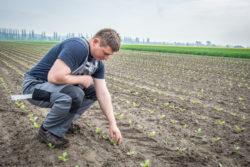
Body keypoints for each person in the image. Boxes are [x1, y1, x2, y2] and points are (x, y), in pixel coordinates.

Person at [22, 28, 123, 148]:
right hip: (33, 89)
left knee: (92, 91)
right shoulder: (78, 47)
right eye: (105, 53)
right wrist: (81, 79)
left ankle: (64, 124)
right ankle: (47, 131)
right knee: (74, 94)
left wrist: (112, 124)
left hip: (52, 90)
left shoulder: (98, 64)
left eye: (109, 55)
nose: (107, 58)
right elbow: (53, 77)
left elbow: (103, 94)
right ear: (95, 42)